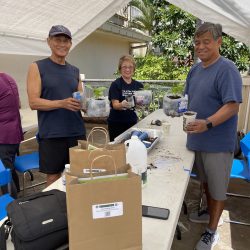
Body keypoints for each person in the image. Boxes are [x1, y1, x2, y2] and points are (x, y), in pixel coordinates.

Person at [185, 22, 242, 250]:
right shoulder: (195, 70)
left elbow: (232, 106)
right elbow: (188, 100)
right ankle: (208, 215)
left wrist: (207, 124)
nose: (200, 47)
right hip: (197, 140)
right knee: (206, 183)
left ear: (219, 42)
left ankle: (212, 231)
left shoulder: (227, 69)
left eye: (206, 41)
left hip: (217, 143)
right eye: (197, 42)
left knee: (218, 189)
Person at [27, 25, 86, 187]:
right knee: (53, 178)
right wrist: (61, 103)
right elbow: (33, 102)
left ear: (70, 44)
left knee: (78, 175)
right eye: (57, 40)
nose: (62, 44)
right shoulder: (37, 67)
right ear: (49, 42)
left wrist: (91, 105)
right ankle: (55, 211)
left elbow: (81, 101)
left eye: (65, 40)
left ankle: (76, 209)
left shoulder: (74, 71)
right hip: (52, 134)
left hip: (76, 131)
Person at [107, 55, 143, 141]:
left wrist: (140, 105)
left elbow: (140, 105)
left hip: (132, 123)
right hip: (117, 124)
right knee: (117, 150)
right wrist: (122, 104)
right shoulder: (116, 84)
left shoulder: (139, 85)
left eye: (130, 67)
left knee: (132, 147)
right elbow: (115, 105)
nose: (127, 69)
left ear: (134, 69)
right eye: (124, 67)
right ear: (120, 69)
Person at [0, 72, 24, 198]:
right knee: (9, 167)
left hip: (3, 137)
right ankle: (17, 193)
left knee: (4, 175)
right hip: (14, 134)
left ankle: (12, 206)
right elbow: (19, 104)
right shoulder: (8, 77)